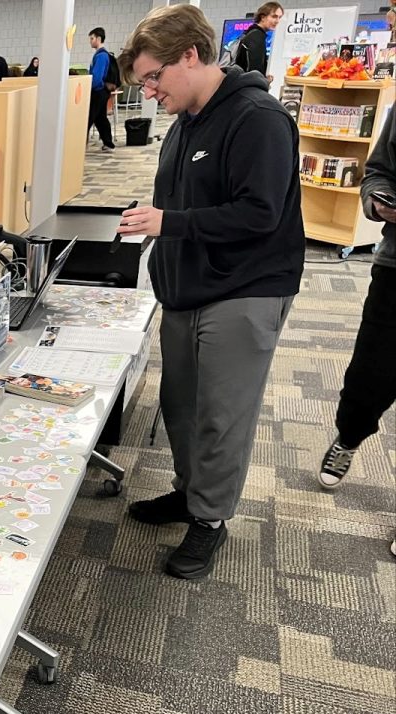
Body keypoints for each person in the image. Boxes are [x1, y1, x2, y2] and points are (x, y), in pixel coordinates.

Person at [115, 5, 304, 580]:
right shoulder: (185, 123)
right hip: (187, 288)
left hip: (244, 287)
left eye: (154, 76)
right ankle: (190, 492)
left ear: (191, 56)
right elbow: (181, 205)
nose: (148, 91)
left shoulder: (257, 117)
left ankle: (210, 519)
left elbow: (259, 212)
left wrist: (168, 225)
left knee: (222, 414)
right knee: (181, 405)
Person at [318, 93, 396, 557]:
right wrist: (377, 202)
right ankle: (348, 436)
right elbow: (380, 170)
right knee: (370, 375)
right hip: (395, 270)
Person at [234, 3, 284, 81]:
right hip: (248, 88)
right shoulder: (256, 36)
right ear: (263, 17)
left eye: (279, 17)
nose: (277, 21)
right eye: (274, 16)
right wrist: (264, 81)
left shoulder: (252, 33)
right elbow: (254, 72)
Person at [88, 28, 116, 152]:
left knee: (88, 118)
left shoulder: (101, 56)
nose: (90, 41)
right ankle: (108, 143)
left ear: (99, 39)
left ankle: (79, 143)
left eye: (92, 38)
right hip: (103, 92)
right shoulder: (103, 55)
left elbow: (97, 77)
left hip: (98, 92)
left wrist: (91, 88)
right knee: (100, 118)